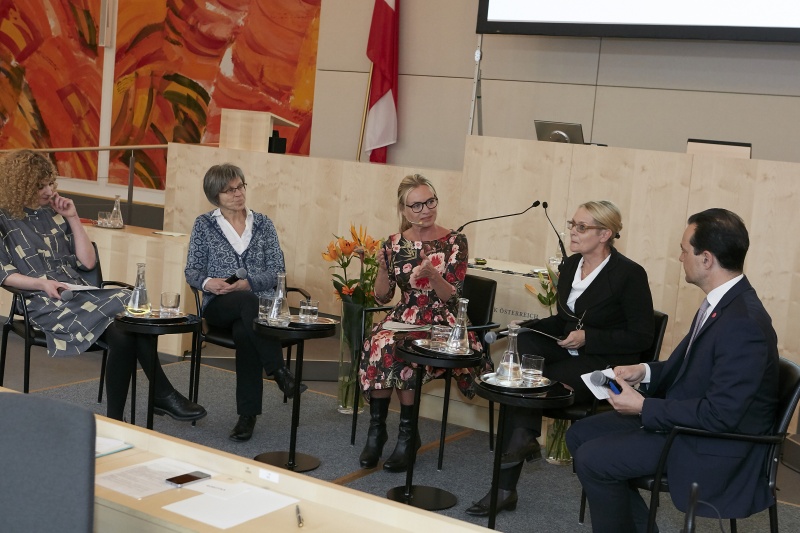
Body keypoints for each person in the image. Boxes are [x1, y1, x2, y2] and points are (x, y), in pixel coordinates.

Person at [566, 208, 779, 533]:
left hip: (713, 443)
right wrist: (644, 371)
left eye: (684, 250)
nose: (680, 258)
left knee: (593, 460)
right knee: (579, 435)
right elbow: (695, 368)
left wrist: (644, 406)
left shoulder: (743, 323)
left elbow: (721, 415)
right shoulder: (724, 304)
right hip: (687, 419)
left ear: (706, 259)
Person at [467, 200, 654, 517]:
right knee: (524, 348)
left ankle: (505, 485)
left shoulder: (629, 274)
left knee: (529, 387)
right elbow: (563, 320)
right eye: (572, 224)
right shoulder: (570, 266)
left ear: (605, 234)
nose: (573, 232)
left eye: (582, 227)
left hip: (606, 365)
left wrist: (589, 337)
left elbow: (641, 337)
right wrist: (528, 327)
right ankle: (522, 443)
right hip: (568, 352)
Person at [0, 150, 205, 421]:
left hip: (79, 295)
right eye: (40, 186)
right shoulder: (4, 219)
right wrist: (41, 283)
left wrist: (73, 217)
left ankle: (120, 416)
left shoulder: (55, 214)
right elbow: (4, 273)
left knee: (125, 321)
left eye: (50, 183)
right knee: (127, 310)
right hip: (43, 302)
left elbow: (87, 262)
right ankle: (160, 394)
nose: (49, 191)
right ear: (21, 184)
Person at [358, 173, 487, 472]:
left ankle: (407, 436)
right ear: (404, 210)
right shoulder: (393, 243)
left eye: (430, 202)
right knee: (379, 341)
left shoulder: (455, 241)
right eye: (416, 205)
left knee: (404, 349)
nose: (425, 210)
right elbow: (382, 296)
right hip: (405, 314)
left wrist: (433, 275)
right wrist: (381, 269)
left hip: (443, 319)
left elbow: (453, 297)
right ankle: (377, 431)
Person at [185, 163, 305, 443]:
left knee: (245, 329)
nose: (238, 193)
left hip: (256, 309)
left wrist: (248, 283)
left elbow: (278, 272)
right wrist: (208, 283)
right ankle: (279, 372)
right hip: (220, 305)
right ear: (215, 196)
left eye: (240, 187)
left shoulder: (263, 224)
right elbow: (192, 271)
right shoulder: (204, 225)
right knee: (245, 306)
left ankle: (247, 416)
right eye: (229, 190)